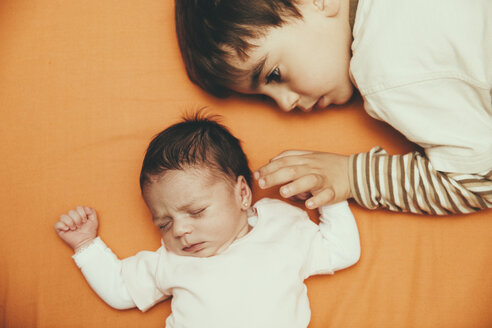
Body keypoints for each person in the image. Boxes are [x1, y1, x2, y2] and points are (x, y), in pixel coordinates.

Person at [174, 0, 492, 215]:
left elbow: (479, 178)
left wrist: (352, 177)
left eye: (273, 75)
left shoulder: (385, 68)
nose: (285, 104)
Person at [54, 113, 360, 328]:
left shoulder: (281, 227)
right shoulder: (171, 259)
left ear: (242, 193)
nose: (181, 230)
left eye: (196, 211)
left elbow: (342, 251)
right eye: (164, 223)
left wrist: (329, 197)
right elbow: (121, 290)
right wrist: (86, 245)